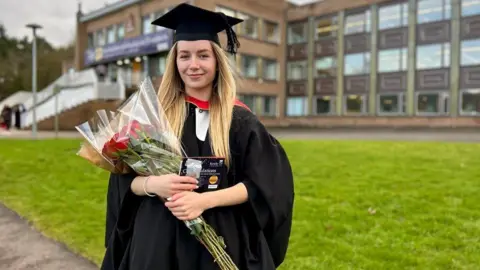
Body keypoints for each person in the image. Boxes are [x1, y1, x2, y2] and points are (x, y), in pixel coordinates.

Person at [101, 3, 295, 270]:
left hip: (221, 243)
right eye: (184, 56)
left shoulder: (238, 119)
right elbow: (123, 184)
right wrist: (154, 185)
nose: (193, 65)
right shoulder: (154, 116)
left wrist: (203, 201)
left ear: (217, 61)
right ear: (175, 61)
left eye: (203, 55)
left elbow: (266, 184)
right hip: (157, 242)